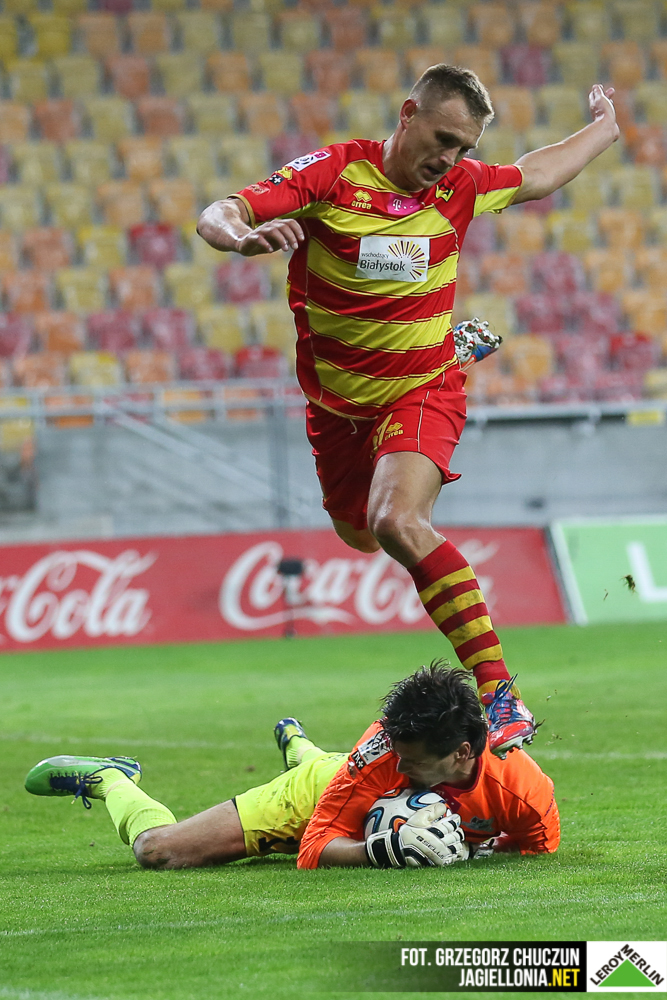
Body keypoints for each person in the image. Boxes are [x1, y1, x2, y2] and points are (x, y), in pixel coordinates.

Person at [196, 65, 619, 757]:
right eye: (443, 139)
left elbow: (537, 174)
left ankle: (500, 694)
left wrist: (604, 129)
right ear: (407, 114)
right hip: (338, 407)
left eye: (464, 147)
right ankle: (450, 342)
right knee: (362, 535)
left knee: (397, 521)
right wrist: (240, 236)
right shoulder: (335, 174)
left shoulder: (459, 187)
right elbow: (220, 210)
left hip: (421, 388)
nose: (450, 158)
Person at [24, 664, 559, 870]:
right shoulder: (381, 752)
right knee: (157, 852)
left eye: (412, 761)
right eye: (394, 750)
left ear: (462, 753)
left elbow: (534, 849)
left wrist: (473, 849)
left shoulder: (524, 794)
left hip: (346, 779)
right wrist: (381, 850)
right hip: (317, 794)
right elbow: (313, 847)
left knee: (341, 768)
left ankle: (300, 745)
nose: (398, 763)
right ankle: (112, 778)